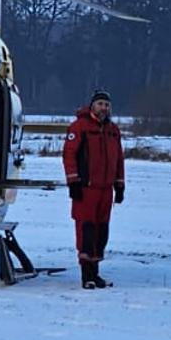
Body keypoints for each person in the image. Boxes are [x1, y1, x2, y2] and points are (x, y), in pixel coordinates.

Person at [64, 90, 126, 290]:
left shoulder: (113, 130)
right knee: (86, 230)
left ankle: (96, 272)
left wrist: (119, 184)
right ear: (92, 106)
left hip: (105, 190)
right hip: (86, 189)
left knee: (101, 232)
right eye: (100, 104)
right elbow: (69, 155)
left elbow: (119, 160)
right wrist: (73, 182)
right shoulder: (79, 127)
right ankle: (86, 275)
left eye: (106, 105)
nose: (104, 108)